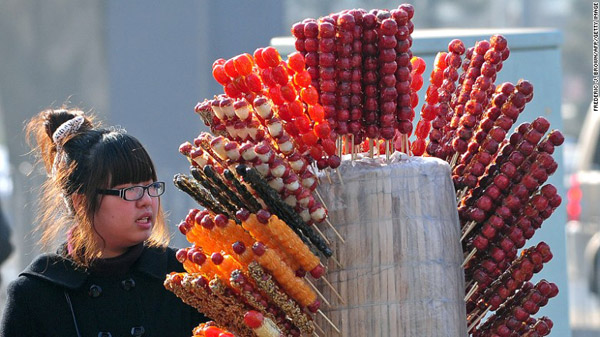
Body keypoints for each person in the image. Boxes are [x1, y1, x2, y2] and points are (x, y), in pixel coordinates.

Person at [0, 107, 207, 336]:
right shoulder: (38, 293)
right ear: (81, 202)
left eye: (150, 187)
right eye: (130, 190)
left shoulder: (186, 278)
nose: (147, 201)